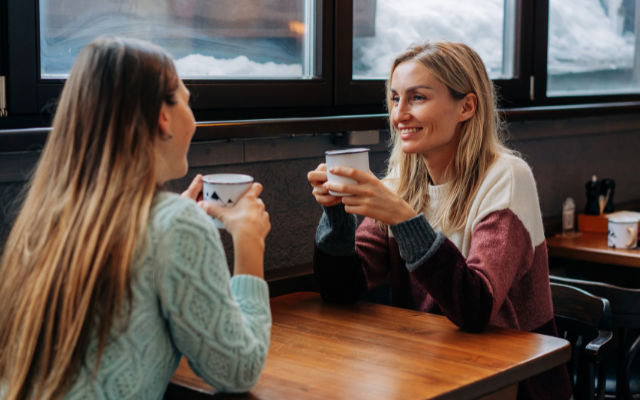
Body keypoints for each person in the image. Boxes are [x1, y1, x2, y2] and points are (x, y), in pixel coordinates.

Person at [0, 37, 271, 400]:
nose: (192, 118)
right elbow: (239, 370)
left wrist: (173, 226)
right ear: (163, 117)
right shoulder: (174, 224)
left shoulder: (44, 217)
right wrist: (249, 242)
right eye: (188, 103)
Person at [308, 41, 572, 400]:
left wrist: (403, 218)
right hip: (428, 370)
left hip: (513, 383)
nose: (400, 114)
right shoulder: (400, 183)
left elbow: (475, 308)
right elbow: (341, 291)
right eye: (394, 98)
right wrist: (337, 214)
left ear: (466, 106)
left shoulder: (507, 177)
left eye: (417, 98)